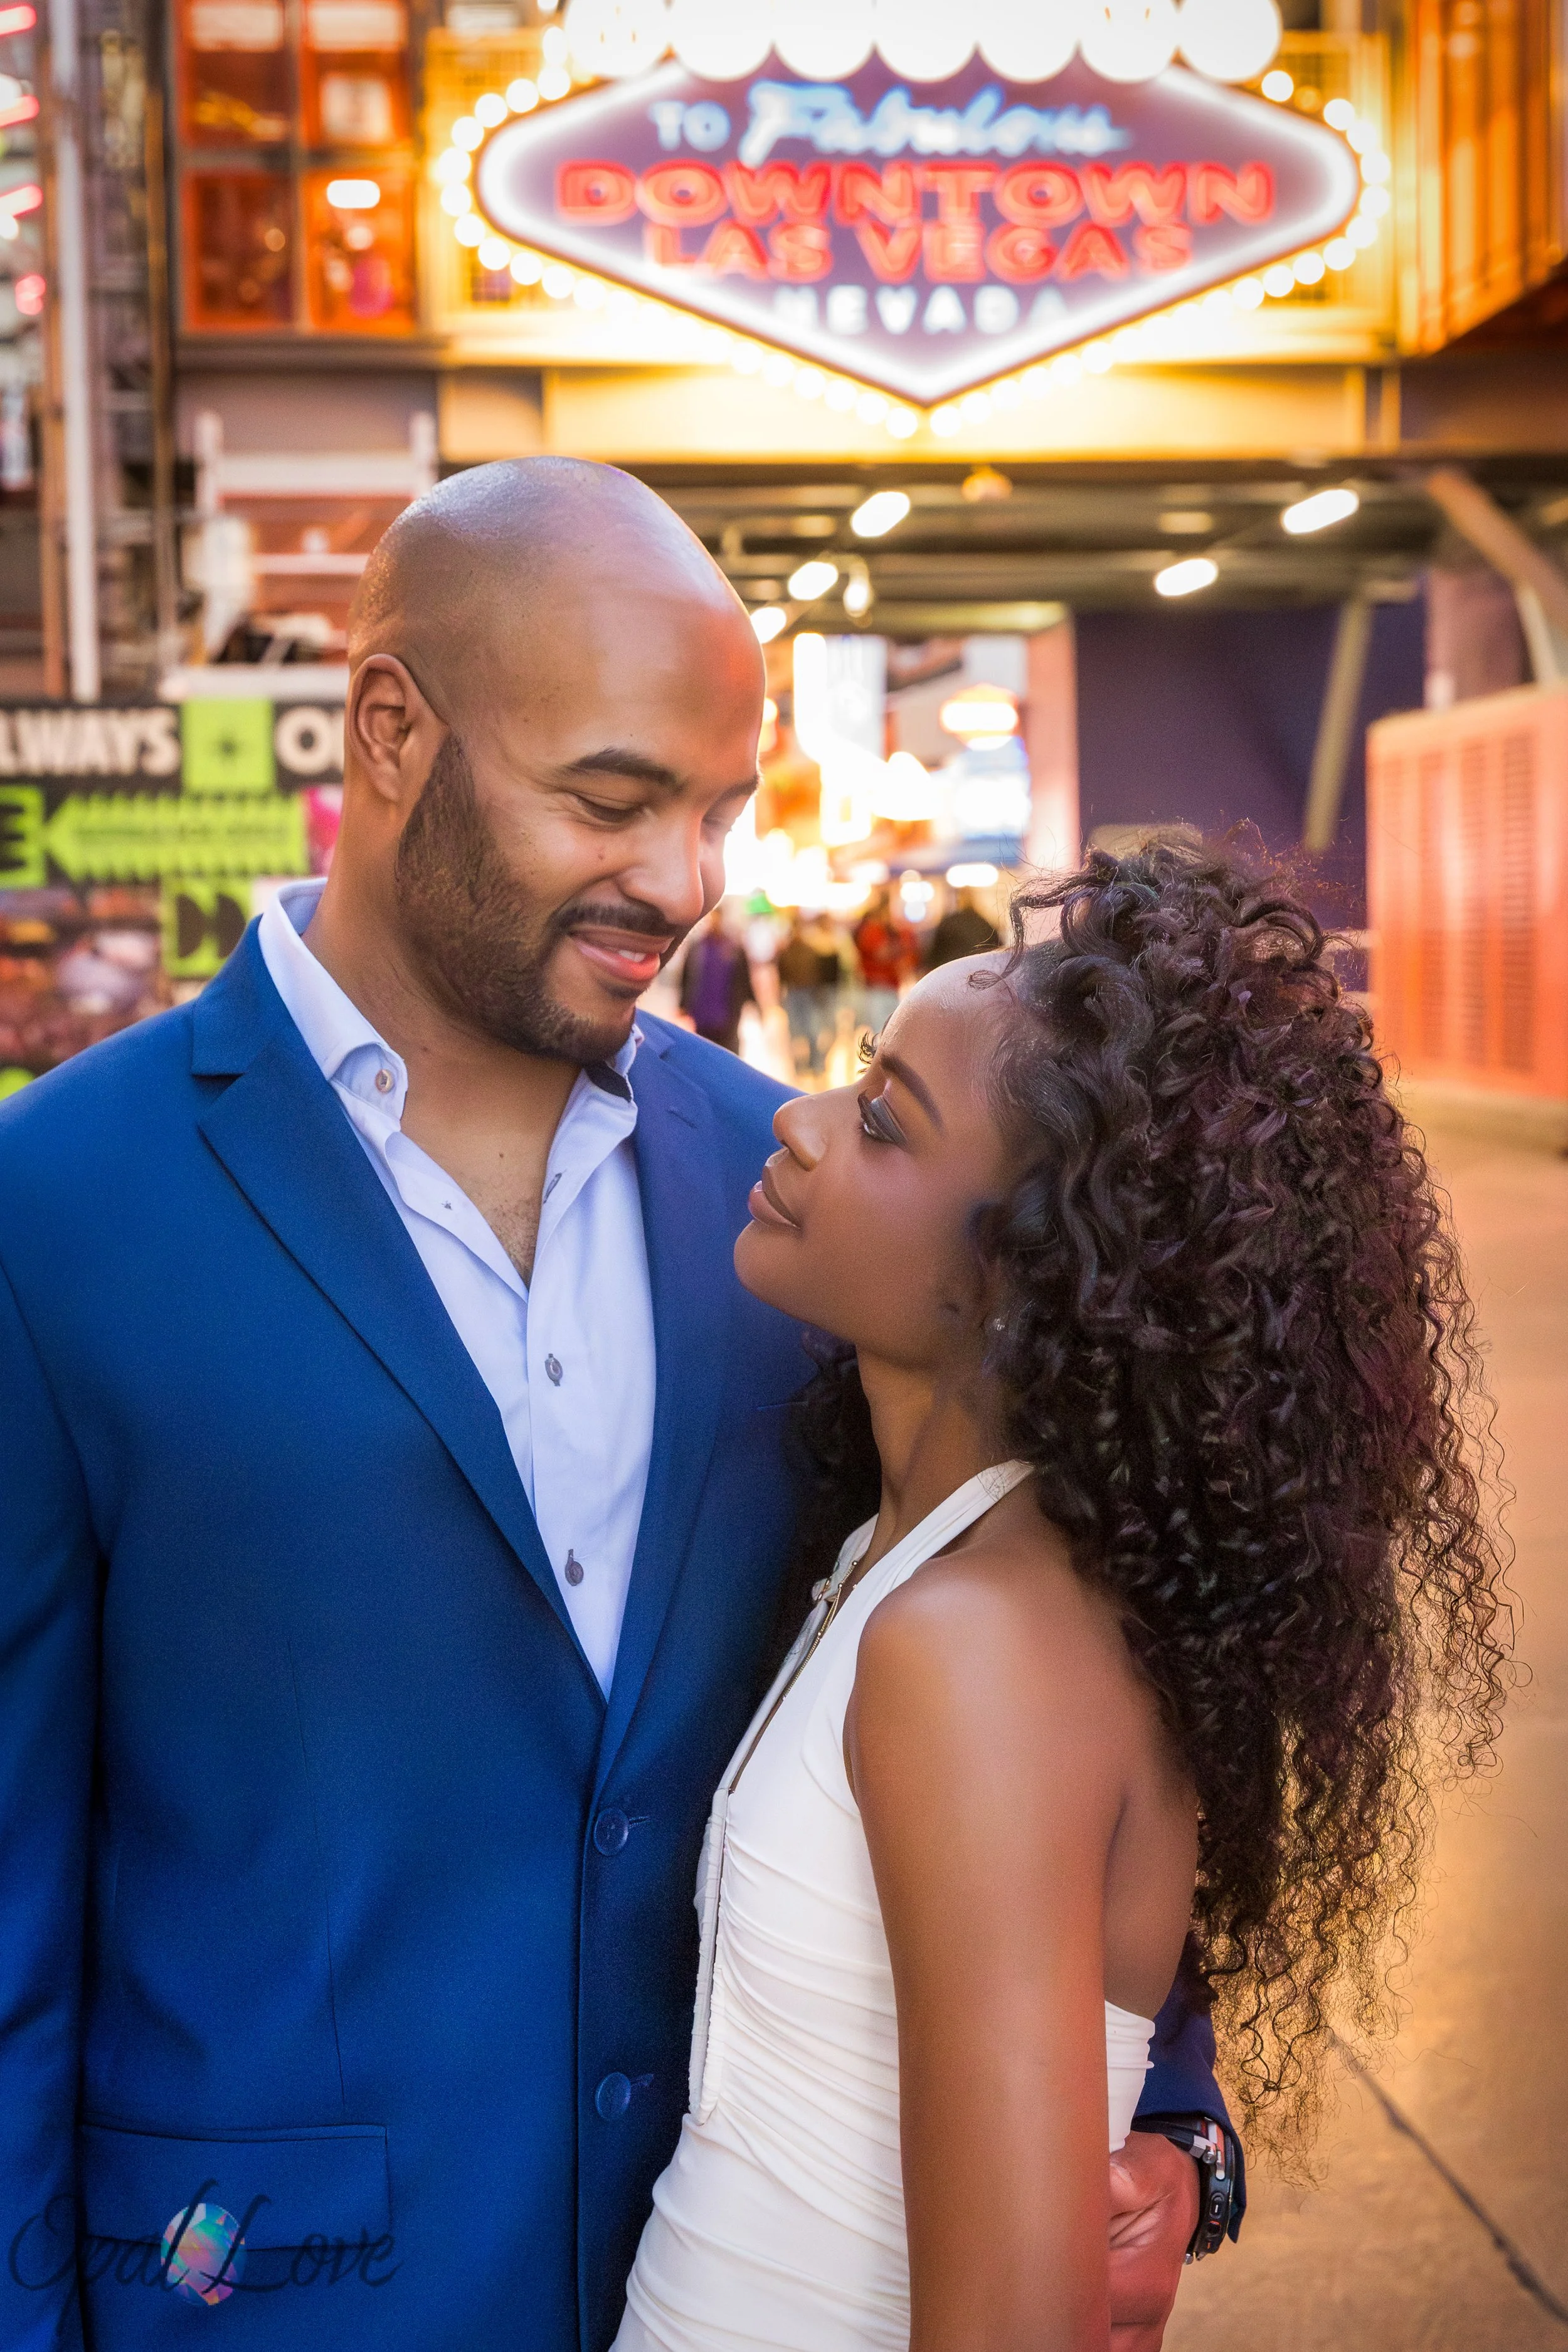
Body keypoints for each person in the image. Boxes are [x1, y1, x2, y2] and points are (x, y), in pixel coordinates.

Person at [0, 464, 1226, 2352]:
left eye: (716, 810)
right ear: (390, 730)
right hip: (257, 2296)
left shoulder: (808, 1206)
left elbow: (1050, 1614)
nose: (684, 880)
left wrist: (1160, 2120)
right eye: (612, 797)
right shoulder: (59, 1204)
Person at [618, 843, 1510, 2352]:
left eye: (883, 1122)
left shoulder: (973, 1649)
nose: (798, 1118)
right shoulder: (918, 1562)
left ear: (1028, 1273)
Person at [679, 909, 757, 1056]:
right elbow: (687, 977)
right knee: (704, 1052)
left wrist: (753, 1003)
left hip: (728, 1014)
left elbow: (744, 978)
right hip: (702, 1012)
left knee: (727, 1054)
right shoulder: (698, 947)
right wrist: (683, 1004)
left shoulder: (734, 948)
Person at [853, 887, 918, 1038]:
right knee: (879, 1031)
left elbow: (909, 951)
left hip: (892, 986)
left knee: (891, 1029)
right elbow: (881, 953)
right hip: (876, 987)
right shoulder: (871, 930)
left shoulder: (892, 930)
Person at [926, 883, 999, 968]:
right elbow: (996, 946)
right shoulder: (983, 922)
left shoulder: (949, 922)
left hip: (952, 968)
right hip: (979, 968)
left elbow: (936, 952)